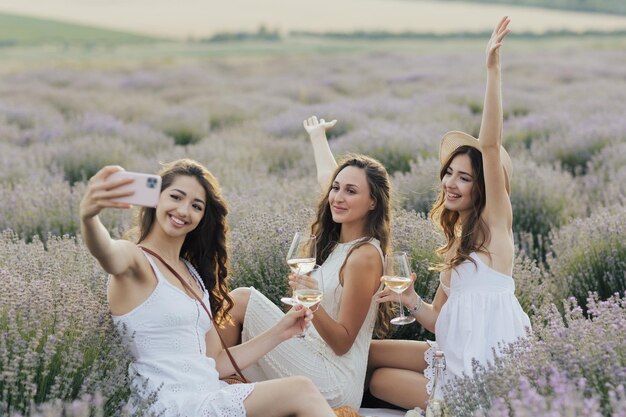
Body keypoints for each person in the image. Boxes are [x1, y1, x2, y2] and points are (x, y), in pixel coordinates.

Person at [79, 158, 337, 417]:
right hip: (170, 403)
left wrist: (282, 331)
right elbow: (106, 251)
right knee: (300, 390)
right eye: (176, 197)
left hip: (207, 393)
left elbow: (215, 362)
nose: (183, 210)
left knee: (300, 392)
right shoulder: (136, 261)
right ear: (156, 199)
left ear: (203, 217)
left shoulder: (191, 273)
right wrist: (89, 217)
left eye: (196, 206)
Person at [367, 16, 531, 410]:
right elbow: (440, 320)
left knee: (380, 380)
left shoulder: (496, 227)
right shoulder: (457, 241)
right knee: (368, 352)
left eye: (465, 178)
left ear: (485, 186)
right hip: (451, 350)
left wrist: (492, 70)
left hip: (480, 369)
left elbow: (490, 146)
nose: (451, 184)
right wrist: (408, 299)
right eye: (449, 175)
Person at [222, 119, 393, 410]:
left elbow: (342, 343)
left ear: (373, 202)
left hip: (332, 380)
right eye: (336, 189)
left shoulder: (364, 255)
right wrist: (317, 137)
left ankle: (204, 378)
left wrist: (313, 303)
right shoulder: (338, 245)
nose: (337, 197)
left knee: (242, 298)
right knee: (237, 304)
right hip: (306, 353)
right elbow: (327, 178)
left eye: (351, 191)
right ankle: (214, 375)